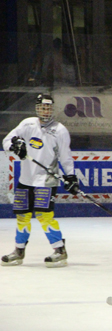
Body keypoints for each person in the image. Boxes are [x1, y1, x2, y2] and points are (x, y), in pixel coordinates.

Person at [1, 93, 79, 268]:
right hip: (25, 179)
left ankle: (59, 250)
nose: (45, 110)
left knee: (44, 215)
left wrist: (71, 176)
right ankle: (19, 251)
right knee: (22, 216)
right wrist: (14, 147)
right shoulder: (27, 124)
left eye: (48, 107)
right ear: (37, 108)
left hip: (46, 180)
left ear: (52, 109)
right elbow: (7, 140)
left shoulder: (60, 130)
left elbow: (65, 157)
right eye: (42, 107)